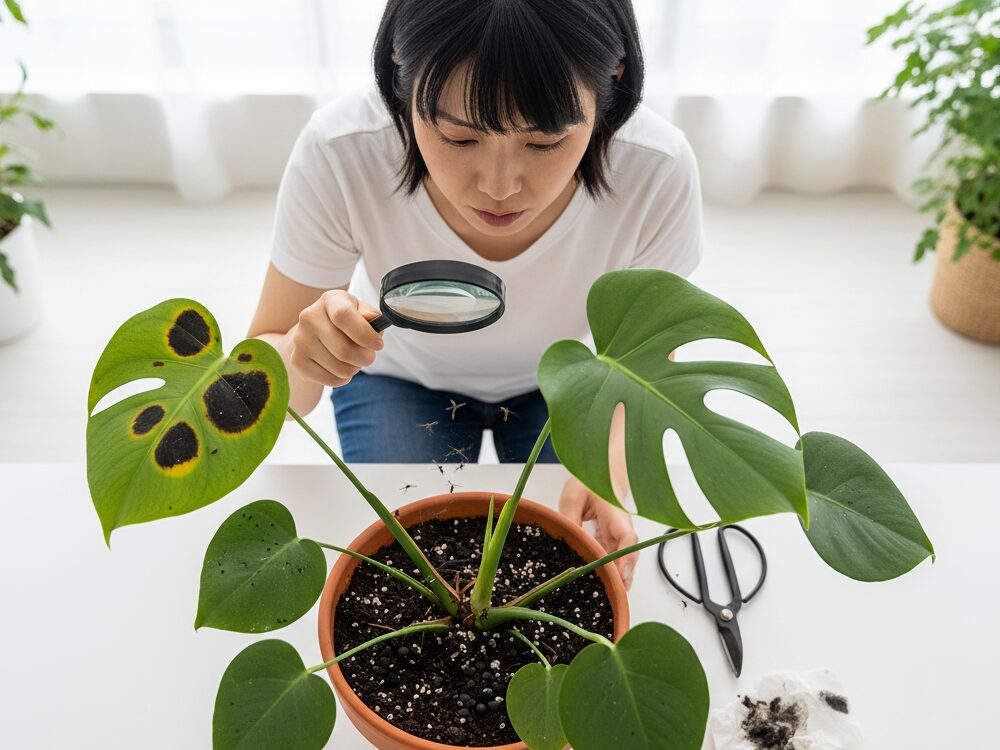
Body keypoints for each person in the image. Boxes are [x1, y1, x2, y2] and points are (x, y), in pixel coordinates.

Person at [248, 0, 705, 591]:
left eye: (545, 143)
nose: (499, 186)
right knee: (412, 576)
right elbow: (276, 370)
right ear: (397, 70)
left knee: (565, 571)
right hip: (398, 379)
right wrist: (303, 356)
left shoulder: (654, 169)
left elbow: (647, 363)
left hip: (566, 387)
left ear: (611, 82)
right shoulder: (343, 150)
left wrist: (608, 469)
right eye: (458, 138)